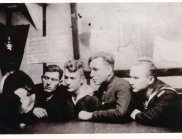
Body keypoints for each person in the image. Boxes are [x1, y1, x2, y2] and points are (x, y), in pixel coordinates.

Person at [78, 52, 132, 123]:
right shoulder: (102, 87)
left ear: (108, 70)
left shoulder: (122, 85)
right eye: (91, 70)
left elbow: (120, 113)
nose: (91, 74)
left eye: (95, 69)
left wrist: (91, 115)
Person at [129, 57, 182, 126]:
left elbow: (153, 117)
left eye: (136, 78)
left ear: (151, 80)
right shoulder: (139, 91)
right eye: (131, 77)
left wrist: (137, 115)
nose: (131, 82)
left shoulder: (168, 95)